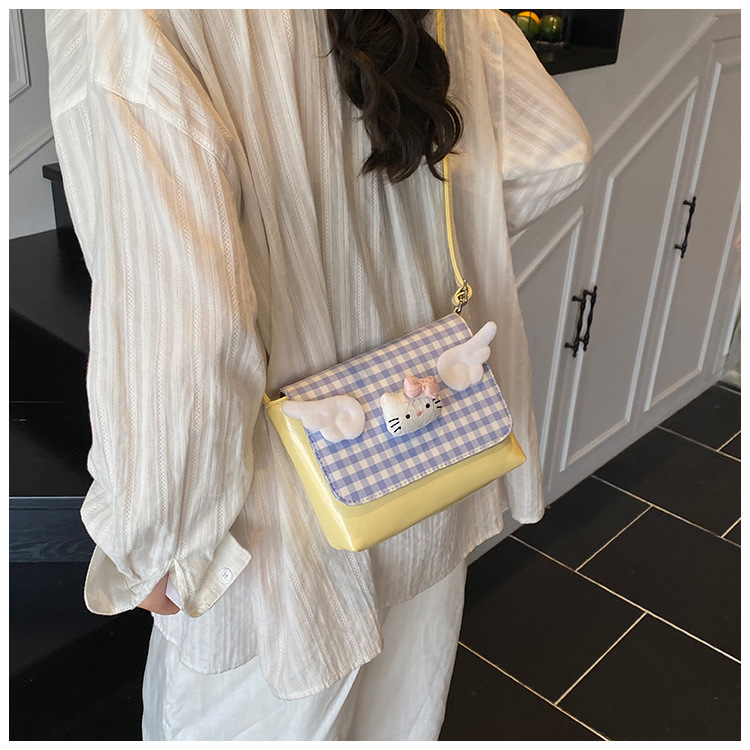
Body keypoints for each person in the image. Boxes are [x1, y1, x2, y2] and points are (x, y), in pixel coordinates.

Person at [46, 9, 592, 741]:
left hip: (274, 543)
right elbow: (553, 153)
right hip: (428, 468)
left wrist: (152, 538)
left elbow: (187, 326)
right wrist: (413, 265)